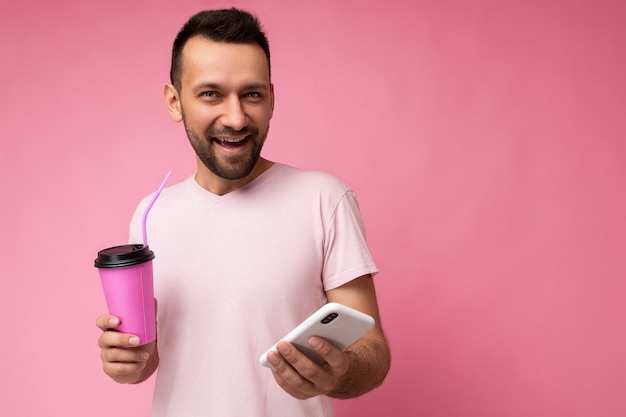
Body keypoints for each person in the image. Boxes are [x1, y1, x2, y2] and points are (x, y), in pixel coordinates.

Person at [96, 7, 390, 416]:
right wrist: (127, 362)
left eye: (251, 94)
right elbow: (150, 360)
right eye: (211, 94)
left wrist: (337, 373)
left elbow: (372, 353)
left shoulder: (325, 199)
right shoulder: (151, 214)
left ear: (271, 98)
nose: (235, 118)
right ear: (174, 101)